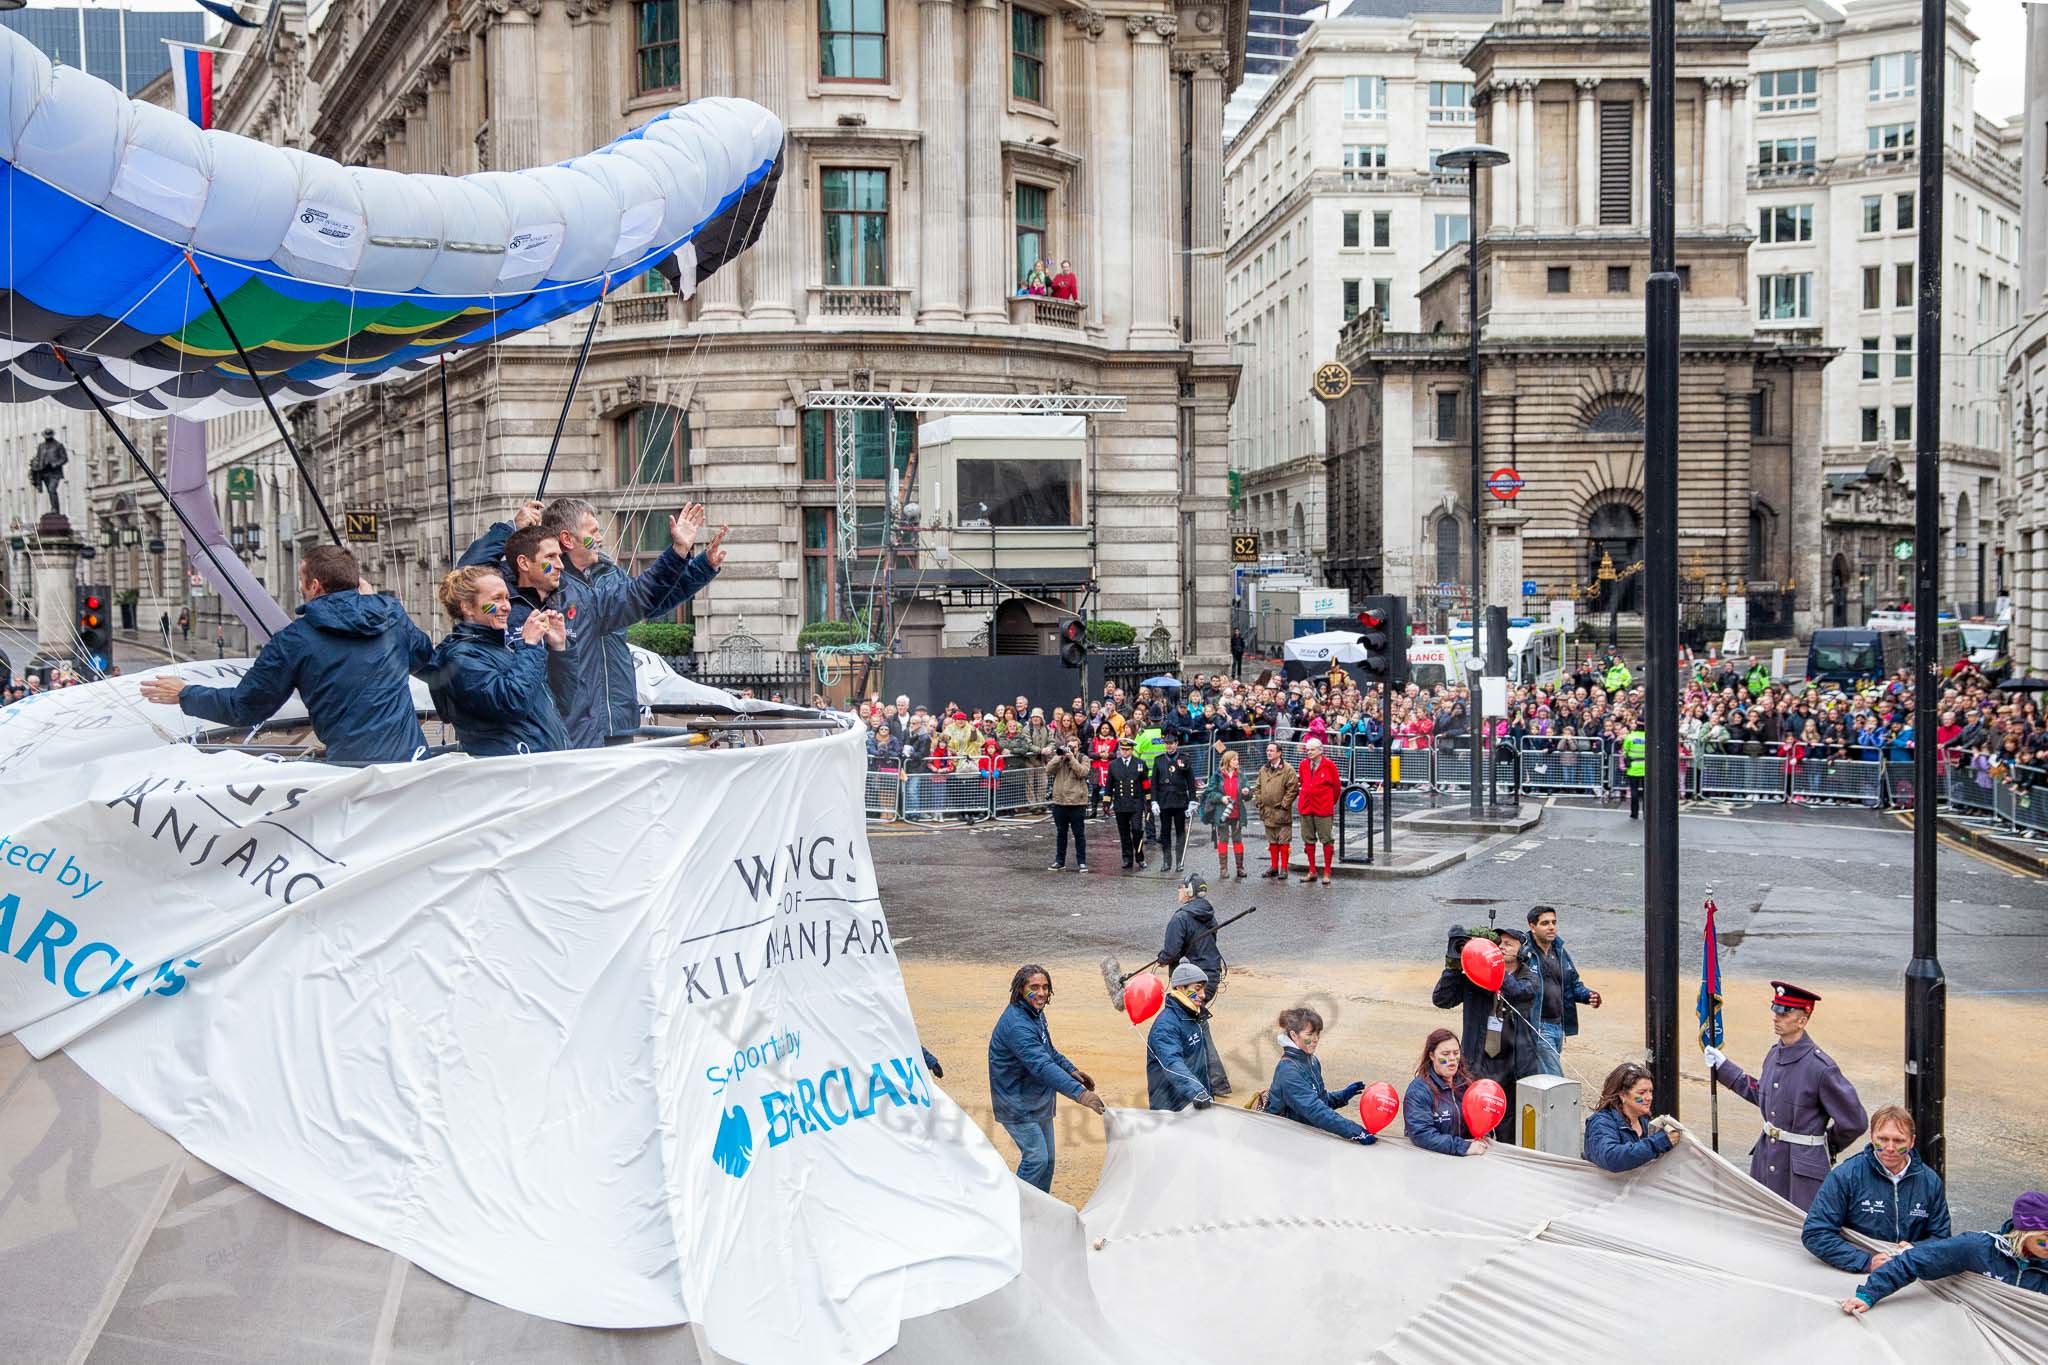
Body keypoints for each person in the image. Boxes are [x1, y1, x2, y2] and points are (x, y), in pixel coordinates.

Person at [460, 497, 725, 748]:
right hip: (571, 723)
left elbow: (646, 603)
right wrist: (510, 529)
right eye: (594, 531)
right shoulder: (546, 581)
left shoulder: (608, 572)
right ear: (567, 538)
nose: (600, 538)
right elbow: (469, 575)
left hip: (616, 717)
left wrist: (700, 568)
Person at [139, 545, 433, 763]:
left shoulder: (293, 640)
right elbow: (425, 660)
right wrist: (373, 605)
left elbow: (246, 708)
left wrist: (185, 694)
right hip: (412, 761)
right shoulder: (391, 617)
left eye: (302, 581)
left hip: (352, 769)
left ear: (314, 586)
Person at [1705, 980, 1867, 1211]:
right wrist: (1725, 1068)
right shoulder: (1774, 1054)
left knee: (1800, 1232)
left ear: (1802, 1020)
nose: (1776, 1016)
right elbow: (1763, 1095)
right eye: (1775, 1009)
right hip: (1767, 1158)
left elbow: (1854, 1121)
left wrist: (1823, 1146)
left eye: (1784, 1012)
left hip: (1800, 1170)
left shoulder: (1821, 1067)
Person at [423, 566, 570, 756]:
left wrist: (559, 648)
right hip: (512, 773)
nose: (506, 606)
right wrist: (531, 646)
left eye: (507, 598)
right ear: (467, 607)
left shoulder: (503, 648)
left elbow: (564, 701)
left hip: (540, 767)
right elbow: (511, 703)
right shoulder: (460, 659)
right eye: (496, 598)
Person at [986, 964, 1105, 1193]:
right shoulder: (1018, 1025)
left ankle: (1042, 1213)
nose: (1041, 993)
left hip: (1038, 1099)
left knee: (1048, 1162)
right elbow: (1041, 1065)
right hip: (1015, 1103)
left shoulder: (1035, 1014)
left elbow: (1048, 1052)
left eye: (1045, 987)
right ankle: (1016, 1211)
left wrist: (1072, 1070)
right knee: (1036, 1159)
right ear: (1021, 989)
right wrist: (1080, 1094)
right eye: (1034, 987)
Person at [1841, 1192, 2048, 1315]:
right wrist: (1869, 1294)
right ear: (2023, 1233)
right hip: (1978, 1327)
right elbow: (1914, 1261)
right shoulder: (1978, 1248)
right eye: (2043, 1237)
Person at [1802, 1105, 1950, 1274]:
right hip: (1857, 1272)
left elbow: (1942, 1238)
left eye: (1899, 1141)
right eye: (1883, 1139)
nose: (1890, 1148)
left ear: (1912, 1141)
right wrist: (1865, 1262)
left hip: (1911, 1272)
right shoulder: (1846, 1175)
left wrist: (1916, 1249)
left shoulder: (1930, 1181)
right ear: (1872, 1137)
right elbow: (1815, 1233)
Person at [1431, 921, 1538, 1091]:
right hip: (1477, 1061)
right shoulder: (1476, 978)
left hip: (1514, 1065)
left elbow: (1518, 994)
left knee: (1510, 1115)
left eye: (1508, 944)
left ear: (1523, 951)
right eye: (1498, 944)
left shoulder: (1529, 978)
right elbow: (1442, 1000)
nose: (1501, 947)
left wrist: (1494, 966)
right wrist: (1453, 967)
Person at [1157, 872, 1231, 1096]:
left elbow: (1170, 952)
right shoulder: (1208, 914)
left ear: (1189, 892)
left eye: (1181, 888)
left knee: (1193, 1024)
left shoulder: (1180, 918)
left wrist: (1162, 958)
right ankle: (1214, 1080)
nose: (1179, 891)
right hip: (1208, 978)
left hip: (1189, 984)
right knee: (1194, 1022)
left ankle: (1215, 1081)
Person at [1263, 1006, 1372, 1145]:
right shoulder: (1288, 1071)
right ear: (1294, 1035)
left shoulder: (1312, 1061)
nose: (1315, 1039)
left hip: (1304, 1133)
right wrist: (1355, 1131)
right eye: (1309, 1035)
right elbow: (1314, 1109)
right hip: (1284, 1138)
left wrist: (1342, 1096)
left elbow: (1319, 1099)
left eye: (1317, 1034)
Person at [1524, 904, 1598, 1074]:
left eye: (1554, 922)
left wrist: (1588, 996)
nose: (1551, 927)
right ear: (1532, 927)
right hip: (1539, 1026)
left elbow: (1573, 984)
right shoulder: (1525, 954)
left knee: (1543, 1079)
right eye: (1545, 923)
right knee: (1554, 1078)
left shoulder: (1560, 952)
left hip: (1558, 1026)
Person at [1582, 1061, 1679, 1172]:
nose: (1649, 1097)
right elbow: (1611, 1158)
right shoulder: (1601, 1122)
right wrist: (1658, 1143)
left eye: (1650, 1091)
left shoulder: (1644, 1119)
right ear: (1622, 1095)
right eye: (1641, 1093)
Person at [1403, 1027, 1486, 1156]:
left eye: (1456, 1053)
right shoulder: (1418, 1091)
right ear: (1431, 1055)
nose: (1452, 1058)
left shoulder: (1468, 1084)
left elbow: (1481, 1119)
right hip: (1429, 1161)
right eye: (1445, 1054)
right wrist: (1463, 1147)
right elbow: (1421, 1134)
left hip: (1466, 1161)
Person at [1145, 963, 1215, 1112]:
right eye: (1197, 989)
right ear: (1181, 988)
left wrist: (1208, 1093)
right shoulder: (1165, 1026)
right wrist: (1198, 1092)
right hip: (1172, 1108)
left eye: (1203, 989)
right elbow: (1172, 1063)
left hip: (1194, 1101)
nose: (1203, 995)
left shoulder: (1192, 1017)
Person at [1296, 736, 1341, 885]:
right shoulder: (1303, 765)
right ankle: (1312, 870)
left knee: (1326, 839)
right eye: (1307, 749)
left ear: (1320, 751)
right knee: (1308, 839)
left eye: (1312, 750)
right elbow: (1302, 782)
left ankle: (1327, 872)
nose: (1309, 752)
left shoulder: (1329, 765)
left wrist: (1328, 802)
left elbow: (1336, 788)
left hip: (1323, 808)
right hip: (1306, 806)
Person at [1150, 732, 1196, 873]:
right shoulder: (1158, 760)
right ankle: (1166, 861)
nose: (1169, 746)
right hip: (1164, 801)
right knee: (1165, 833)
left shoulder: (1184, 759)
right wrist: (1154, 801)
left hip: (1180, 801)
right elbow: (1154, 784)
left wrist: (1192, 801)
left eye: (1171, 743)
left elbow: (1190, 782)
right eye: (1167, 743)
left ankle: (1179, 862)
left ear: (1176, 744)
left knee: (1180, 833)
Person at [1200, 747, 1248, 880]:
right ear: (1227, 761)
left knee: (1238, 840)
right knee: (1224, 840)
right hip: (1222, 814)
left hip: (1237, 812)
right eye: (1234, 759)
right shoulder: (1217, 776)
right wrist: (1221, 798)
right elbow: (1209, 793)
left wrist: (1246, 792)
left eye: (1237, 759)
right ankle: (1223, 869)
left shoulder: (1241, 775)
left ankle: (1240, 868)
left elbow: (1248, 792)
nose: (1237, 761)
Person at [1045, 735, 1091, 872]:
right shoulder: (1061, 759)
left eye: (1074, 747)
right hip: (1060, 802)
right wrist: (1059, 756)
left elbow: (1083, 772)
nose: (1071, 749)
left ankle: (1081, 862)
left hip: (1077, 802)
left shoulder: (1083, 758)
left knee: (1079, 833)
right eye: (1069, 746)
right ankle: (1060, 861)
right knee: (1061, 833)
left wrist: (1072, 759)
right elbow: (1048, 770)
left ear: (1078, 747)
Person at [1253, 741, 1298, 879]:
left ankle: (1283, 868)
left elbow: (1293, 788)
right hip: (1267, 811)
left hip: (1281, 811)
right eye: (1267, 750)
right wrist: (1259, 802)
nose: (1268, 753)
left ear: (1279, 753)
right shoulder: (1264, 769)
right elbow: (1258, 787)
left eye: (1271, 750)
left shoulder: (1288, 769)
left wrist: (1284, 804)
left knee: (1283, 841)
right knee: (1272, 840)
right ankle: (1273, 867)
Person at [1107, 735, 1151, 870]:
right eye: (1122, 749)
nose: (1124, 752)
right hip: (1121, 804)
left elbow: (1146, 784)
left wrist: (1148, 801)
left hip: (1136, 803)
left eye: (1127, 749)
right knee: (1124, 833)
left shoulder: (1140, 763)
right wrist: (1106, 803)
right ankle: (1127, 858)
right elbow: (1109, 785)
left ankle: (1140, 858)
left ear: (1132, 750)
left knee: (1137, 831)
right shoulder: (1113, 765)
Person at [1622, 720, 1646, 819]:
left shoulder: (1630, 736)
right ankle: (1646, 813)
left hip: (1633, 767)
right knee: (1646, 792)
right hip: (1646, 767)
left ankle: (1634, 813)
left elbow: (1625, 750)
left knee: (1634, 791)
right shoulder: (1649, 736)